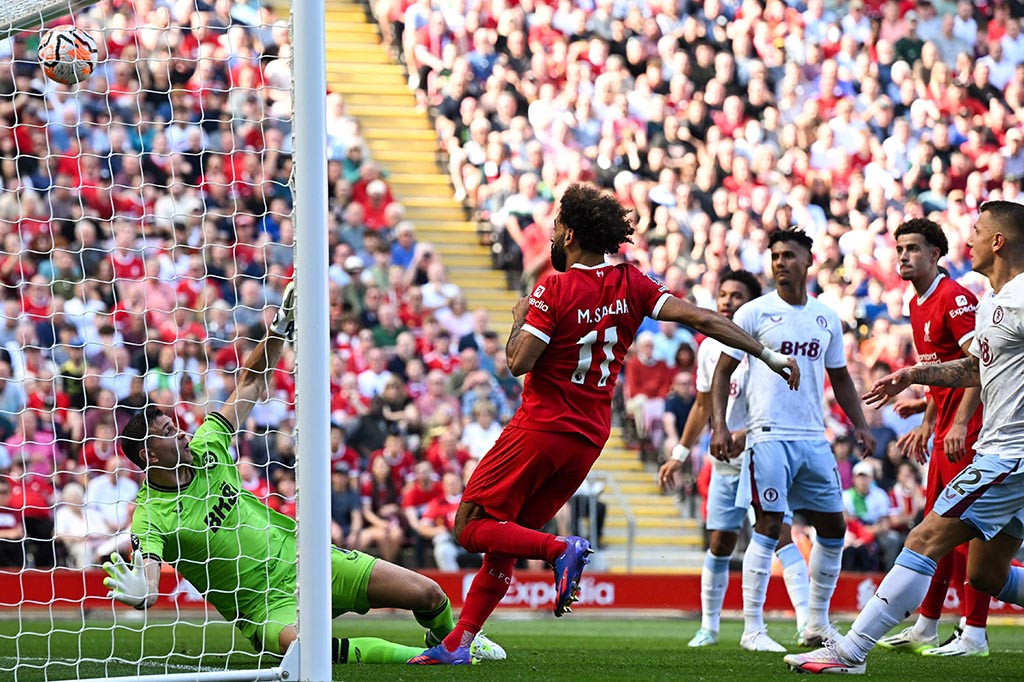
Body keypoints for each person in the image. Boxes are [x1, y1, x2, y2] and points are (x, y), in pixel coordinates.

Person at [409, 183, 800, 665]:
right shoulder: (632, 282)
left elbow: (517, 362)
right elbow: (701, 318)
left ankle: (559, 549)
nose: (552, 236)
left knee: (470, 525)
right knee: (506, 537)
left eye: (556, 228)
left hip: (541, 427)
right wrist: (766, 353)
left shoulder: (552, 288)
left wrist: (519, 317)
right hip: (589, 438)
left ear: (570, 235)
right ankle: (460, 643)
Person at [102, 284, 504, 665]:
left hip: (305, 560)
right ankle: (433, 660)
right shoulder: (150, 515)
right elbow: (149, 576)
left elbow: (251, 382)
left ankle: (451, 639)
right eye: (168, 433)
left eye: (176, 426)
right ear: (148, 454)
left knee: (429, 594)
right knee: (308, 649)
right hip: (263, 606)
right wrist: (144, 593)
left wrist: (278, 329)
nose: (182, 433)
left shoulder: (209, 445)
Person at [787, 201, 1024, 674]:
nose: (968, 240)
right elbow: (975, 368)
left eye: (977, 231)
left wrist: (957, 420)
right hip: (1003, 454)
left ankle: (850, 652)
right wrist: (913, 376)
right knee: (985, 574)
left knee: (924, 536)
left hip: (1009, 455)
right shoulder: (994, 303)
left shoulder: (1018, 299)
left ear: (998, 242)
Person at [709, 229, 877, 652]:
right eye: (776, 255)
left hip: (813, 436)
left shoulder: (825, 317)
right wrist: (720, 426)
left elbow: (840, 377)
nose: (781, 262)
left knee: (834, 527)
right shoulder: (753, 312)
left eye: (789, 255)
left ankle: (816, 624)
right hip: (768, 435)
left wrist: (859, 423)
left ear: (809, 260)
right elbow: (722, 372)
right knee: (769, 526)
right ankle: (752, 629)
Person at [657, 270, 811, 649]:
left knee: (779, 536)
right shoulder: (710, 348)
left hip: (763, 455)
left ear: (753, 303)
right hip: (724, 463)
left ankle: (809, 622)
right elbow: (702, 405)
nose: (727, 301)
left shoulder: (770, 345)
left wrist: (747, 433)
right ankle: (708, 627)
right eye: (723, 294)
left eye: (737, 295)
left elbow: (785, 401)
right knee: (720, 543)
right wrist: (679, 454)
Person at [876, 218, 990, 656]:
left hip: (969, 432)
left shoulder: (954, 298)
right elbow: (939, 369)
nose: (904, 256)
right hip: (944, 430)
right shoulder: (915, 302)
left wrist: (959, 422)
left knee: (965, 531)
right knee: (935, 530)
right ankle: (926, 625)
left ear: (935, 254)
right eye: (900, 249)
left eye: (913, 249)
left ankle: (974, 632)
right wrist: (927, 417)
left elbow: (979, 366)